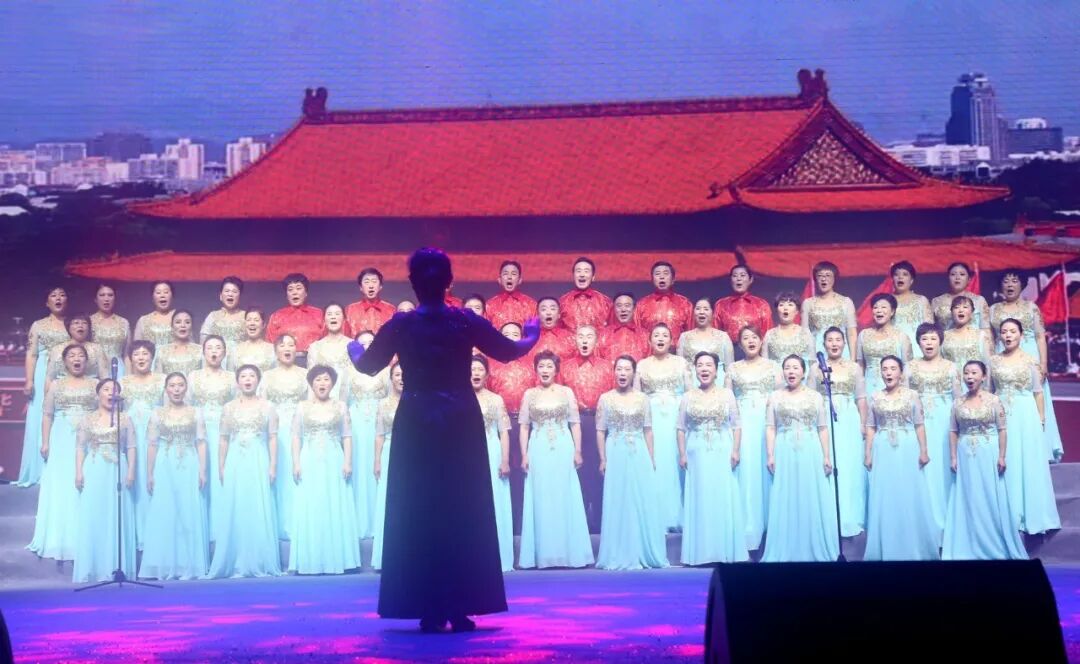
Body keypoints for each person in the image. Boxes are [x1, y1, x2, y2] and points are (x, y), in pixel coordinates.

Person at [347, 247, 540, 632]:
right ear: (449, 282)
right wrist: (532, 332)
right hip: (458, 419)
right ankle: (460, 606)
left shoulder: (402, 324)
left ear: (412, 283)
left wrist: (353, 347)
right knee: (462, 508)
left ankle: (428, 607)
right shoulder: (464, 320)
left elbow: (367, 365)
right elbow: (509, 350)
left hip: (417, 420)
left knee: (419, 509)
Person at [943, 361, 1027, 560]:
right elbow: (953, 431)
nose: (969, 377)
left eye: (974, 373)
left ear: (983, 377)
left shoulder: (994, 401)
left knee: (990, 495)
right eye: (966, 373)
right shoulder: (957, 403)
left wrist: (1001, 456)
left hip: (988, 453)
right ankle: (967, 545)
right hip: (965, 454)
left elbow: (1002, 430)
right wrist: (953, 456)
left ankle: (996, 544)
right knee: (968, 496)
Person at [518, 351, 594, 570]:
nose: (545, 370)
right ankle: (543, 555)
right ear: (536, 369)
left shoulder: (566, 392)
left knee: (564, 494)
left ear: (556, 370)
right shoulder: (529, 394)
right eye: (541, 366)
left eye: (549, 366)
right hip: (538, 446)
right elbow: (524, 427)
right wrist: (524, 454)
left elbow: (575, 423)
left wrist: (577, 450)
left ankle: (570, 554)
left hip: (562, 445)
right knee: (541, 496)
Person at [761, 355, 839, 562]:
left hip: (810, 449)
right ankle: (786, 548)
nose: (791, 371)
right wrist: (770, 454)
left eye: (795, 367)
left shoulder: (815, 397)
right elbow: (770, 427)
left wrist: (826, 456)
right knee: (786, 495)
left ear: (803, 372)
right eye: (787, 368)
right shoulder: (775, 396)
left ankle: (813, 545)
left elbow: (822, 428)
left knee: (809, 494)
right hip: (784, 449)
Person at [863, 356, 941, 561]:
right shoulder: (875, 396)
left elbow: (919, 424)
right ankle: (886, 547)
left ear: (900, 372)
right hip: (883, 448)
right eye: (884, 369)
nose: (888, 373)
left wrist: (924, 451)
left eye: (893, 368)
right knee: (885, 495)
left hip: (907, 447)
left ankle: (914, 546)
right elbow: (870, 427)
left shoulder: (912, 395)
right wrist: (868, 453)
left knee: (909, 493)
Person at [207, 365, 281, 578]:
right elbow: (223, 439)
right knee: (235, 505)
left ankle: (259, 560)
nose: (248, 380)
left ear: (258, 380)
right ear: (237, 381)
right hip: (235, 460)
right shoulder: (228, 408)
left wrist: (273, 465)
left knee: (257, 504)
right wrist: (221, 465)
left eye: (252, 376)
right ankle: (233, 560)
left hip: (258, 458)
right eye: (243, 376)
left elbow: (273, 437)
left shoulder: (268, 406)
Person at [594, 355, 667, 569]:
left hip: (638, 452)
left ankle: (643, 550)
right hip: (615, 450)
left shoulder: (643, 399)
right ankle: (617, 552)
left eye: (627, 369)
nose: (623, 373)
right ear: (614, 372)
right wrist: (603, 459)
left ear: (633, 373)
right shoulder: (605, 398)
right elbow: (600, 431)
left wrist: (651, 457)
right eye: (619, 369)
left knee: (640, 499)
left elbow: (648, 430)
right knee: (618, 499)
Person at [991, 319, 1060, 535]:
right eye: (1004, 331)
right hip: (1002, 413)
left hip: (1026, 414)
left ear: (1021, 335)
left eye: (1013, 331)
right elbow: (990, 391)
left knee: (1026, 460)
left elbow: (1038, 393)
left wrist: (1040, 421)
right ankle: (1007, 515)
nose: (1008, 335)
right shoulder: (993, 361)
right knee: (1007, 458)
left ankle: (1030, 514)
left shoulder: (1031, 361)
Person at [27, 344, 96, 561]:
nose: (77, 359)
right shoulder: (56, 385)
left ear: (87, 361)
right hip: (61, 438)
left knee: (85, 483)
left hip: (88, 439)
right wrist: (45, 442)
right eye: (72, 356)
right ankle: (59, 539)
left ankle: (85, 539)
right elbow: (47, 414)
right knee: (61, 484)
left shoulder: (96, 385)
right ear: (65, 362)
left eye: (81, 356)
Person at [289, 366, 359, 575]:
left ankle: (337, 559)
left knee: (334, 503)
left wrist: (347, 462)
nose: (322, 383)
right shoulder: (302, 407)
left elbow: (347, 436)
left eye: (326, 379)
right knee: (312, 505)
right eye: (318, 379)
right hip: (309, 460)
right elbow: (296, 437)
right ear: (311, 383)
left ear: (333, 383)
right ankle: (311, 560)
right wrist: (296, 463)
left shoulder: (341, 407)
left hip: (334, 460)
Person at [139, 372, 210, 580]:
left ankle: (188, 564)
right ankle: (163, 563)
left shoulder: (196, 412)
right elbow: (152, 445)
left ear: (186, 388)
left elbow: (201, 442)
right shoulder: (157, 413)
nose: (176, 389)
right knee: (165, 509)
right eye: (172, 385)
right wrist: (149, 473)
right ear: (166, 389)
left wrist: (203, 470)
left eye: (180, 385)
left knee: (188, 509)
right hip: (165, 463)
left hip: (189, 463)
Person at [678, 352, 746, 565]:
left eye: (709, 365)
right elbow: (680, 428)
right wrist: (682, 453)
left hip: (722, 450)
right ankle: (700, 553)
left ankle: (723, 551)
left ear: (717, 370)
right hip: (696, 452)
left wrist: (735, 451)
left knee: (722, 497)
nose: (704, 369)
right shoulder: (688, 396)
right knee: (700, 499)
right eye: (700, 365)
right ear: (695, 370)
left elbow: (736, 425)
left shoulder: (727, 395)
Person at [990, 269, 1063, 462]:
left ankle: (1039, 447)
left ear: (1022, 285)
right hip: (1002, 355)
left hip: (1029, 354)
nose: (1010, 284)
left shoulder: (1031, 308)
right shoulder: (993, 309)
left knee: (1033, 399)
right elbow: (989, 337)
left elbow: (1039, 336)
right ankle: (1008, 448)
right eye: (1006, 281)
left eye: (1014, 281)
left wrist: (1043, 363)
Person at [72, 379, 137, 583]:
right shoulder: (87, 419)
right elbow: (80, 447)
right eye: (106, 389)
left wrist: (131, 471)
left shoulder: (125, 419)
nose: (110, 393)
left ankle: (116, 566)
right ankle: (93, 567)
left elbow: (131, 447)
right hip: (94, 468)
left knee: (117, 514)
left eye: (114, 390)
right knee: (94, 514)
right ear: (98, 394)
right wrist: (79, 471)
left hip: (118, 469)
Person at [725, 326, 782, 552]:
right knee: (748, 469)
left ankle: (772, 525)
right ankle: (748, 527)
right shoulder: (733, 368)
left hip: (767, 421)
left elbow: (780, 396)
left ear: (761, 341)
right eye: (745, 338)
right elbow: (728, 400)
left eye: (754, 337)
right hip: (743, 422)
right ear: (740, 344)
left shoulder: (773, 366)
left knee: (767, 466)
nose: (751, 341)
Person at [807, 327, 867, 537]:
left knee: (849, 465)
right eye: (830, 340)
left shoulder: (854, 368)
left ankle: (849, 516)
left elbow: (861, 398)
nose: (834, 344)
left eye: (838, 340)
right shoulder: (816, 368)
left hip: (849, 418)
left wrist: (863, 424)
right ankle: (828, 517)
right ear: (823, 344)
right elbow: (810, 399)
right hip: (824, 419)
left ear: (844, 343)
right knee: (828, 463)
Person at [634, 323, 693, 532]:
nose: (660, 339)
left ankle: (679, 516)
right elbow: (637, 397)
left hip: (676, 417)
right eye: (656, 335)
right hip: (652, 419)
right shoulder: (642, 365)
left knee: (675, 461)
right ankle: (655, 517)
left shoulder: (681, 363)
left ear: (671, 340)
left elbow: (690, 393)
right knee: (656, 460)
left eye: (665, 335)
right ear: (650, 340)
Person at [906, 323, 960, 531]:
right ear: (918, 343)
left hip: (944, 422)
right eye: (924, 339)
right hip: (919, 423)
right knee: (922, 468)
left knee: (943, 467)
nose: (929, 343)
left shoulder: (951, 367)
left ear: (940, 341)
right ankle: (923, 522)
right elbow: (905, 398)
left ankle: (947, 522)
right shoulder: (910, 367)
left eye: (933, 338)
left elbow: (958, 401)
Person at [16, 286, 70, 488]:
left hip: (65, 372)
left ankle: (60, 469)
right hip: (42, 374)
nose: (58, 298)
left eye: (62, 295)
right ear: (47, 302)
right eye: (53, 295)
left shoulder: (72, 323)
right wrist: (29, 380)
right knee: (41, 415)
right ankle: (38, 469)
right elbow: (31, 354)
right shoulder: (38, 325)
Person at [260, 334, 310, 541]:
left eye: (291, 344)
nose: (287, 348)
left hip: (300, 429)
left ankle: (299, 524)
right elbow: (262, 405)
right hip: (276, 431)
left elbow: (311, 403)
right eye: (282, 345)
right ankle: (278, 525)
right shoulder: (266, 376)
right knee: (278, 473)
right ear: (276, 351)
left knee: (297, 472)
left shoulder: (305, 374)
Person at [188, 336, 235, 544]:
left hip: (223, 432)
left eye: (218, 348)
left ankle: (222, 529)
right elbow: (187, 405)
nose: (214, 351)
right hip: (199, 431)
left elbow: (236, 405)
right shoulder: (193, 376)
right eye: (209, 348)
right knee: (201, 474)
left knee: (220, 475)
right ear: (203, 352)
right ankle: (201, 528)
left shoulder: (232, 377)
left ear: (224, 352)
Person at [119, 340, 165, 550]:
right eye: (136, 354)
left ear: (152, 357)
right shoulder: (122, 382)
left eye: (145, 353)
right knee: (133, 478)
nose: (141, 357)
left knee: (153, 478)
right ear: (130, 358)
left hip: (155, 436)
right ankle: (135, 534)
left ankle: (155, 535)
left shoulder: (162, 380)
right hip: (131, 436)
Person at [345, 331, 390, 539]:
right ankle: (356, 522)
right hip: (356, 424)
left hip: (378, 423)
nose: (367, 346)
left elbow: (391, 398)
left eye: (371, 342)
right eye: (362, 343)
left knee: (377, 466)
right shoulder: (349, 372)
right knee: (359, 466)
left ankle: (379, 521)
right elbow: (343, 402)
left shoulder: (386, 370)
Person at [471, 356, 514, 573]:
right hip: (467, 454)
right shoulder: (459, 399)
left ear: (487, 374)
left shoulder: (496, 400)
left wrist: (504, 460)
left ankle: (499, 557)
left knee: (495, 500)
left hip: (491, 451)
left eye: (480, 369)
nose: (475, 373)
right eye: (471, 369)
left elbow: (503, 432)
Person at [371, 363, 403, 572]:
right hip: (390, 452)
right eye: (397, 375)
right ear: (391, 378)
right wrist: (377, 460)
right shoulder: (383, 404)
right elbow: (380, 435)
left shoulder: (417, 401)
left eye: (404, 374)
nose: (401, 378)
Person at [856, 294, 912, 395]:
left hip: (894, 390)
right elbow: (860, 365)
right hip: (869, 388)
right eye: (875, 307)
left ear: (892, 311)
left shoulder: (901, 336)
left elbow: (907, 367)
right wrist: (860, 391)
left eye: (883, 307)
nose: (879, 310)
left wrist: (904, 393)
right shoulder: (863, 335)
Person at [801, 261, 857, 359]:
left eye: (828, 275)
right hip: (816, 353)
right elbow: (804, 334)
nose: (823, 279)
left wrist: (853, 360)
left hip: (842, 353)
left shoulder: (846, 302)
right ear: (815, 279)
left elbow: (851, 333)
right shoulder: (808, 303)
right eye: (820, 276)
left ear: (834, 278)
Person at [267, 273, 324, 364]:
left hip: (314, 361)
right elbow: (270, 345)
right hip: (285, 363)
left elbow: (327, 340)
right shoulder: (276, 316)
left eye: (298, 288)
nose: (294, 292)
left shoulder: (319, 314)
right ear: (287, 294)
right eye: (290, 289)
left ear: (306, 293)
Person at [678, 298, 734, 385]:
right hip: (691, 384)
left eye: (706, 309)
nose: (701, 312)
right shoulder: (684, 337)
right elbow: (679, 368)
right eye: (698, 308)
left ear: (713, 313)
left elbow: (729, 369)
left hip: (718, 384)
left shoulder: (723, 337)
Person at [713, 264, 772, 347]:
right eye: (735, 276)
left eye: (742, 275)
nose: (739, 279)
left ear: (750, 280)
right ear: (730, 280)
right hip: (729, 350)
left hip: (755, 350)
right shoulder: (721, 305)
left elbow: (768, 335)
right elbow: (715, 334)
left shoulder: (761, 305)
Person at [635, 261, 693, 344]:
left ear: (673, 279)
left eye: (666, 273)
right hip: (650, 350)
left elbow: (690, 334)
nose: (661, 277)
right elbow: (638, 335)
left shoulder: (685, 304)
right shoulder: (642, 304)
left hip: (677, 351)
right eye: (657, 274)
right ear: (652, 279)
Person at [560, 325, 613, 412]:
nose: (584, 341)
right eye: (581, 337)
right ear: (575, 341)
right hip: (574, 416)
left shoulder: (607, 367)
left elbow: (613, 396)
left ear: (596, 341)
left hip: (601, 416)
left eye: (589, 337)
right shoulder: (564, 367)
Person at [488, 322, 537, 415]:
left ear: (522, 339)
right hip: (499, 416)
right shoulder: (490, 364)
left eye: (515, 335)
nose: (510, 338)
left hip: (529, 416)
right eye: (506, 335)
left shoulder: (532, 363)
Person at [306, 303, 353, 399]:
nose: (333, 317)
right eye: (329, 314)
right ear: (324, 320)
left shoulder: (353, 345)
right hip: (322, 397)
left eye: (337, 314)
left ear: (344, 319)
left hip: (349, 395)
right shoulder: (315, 347)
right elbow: (311, 379)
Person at [762, 292, 814, 372]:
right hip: (777, 378)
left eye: (790, 305)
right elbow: (764, 364)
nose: (785, 308)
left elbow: (812, 363)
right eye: (781, 305)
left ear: (797, 311)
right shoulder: (769, 335)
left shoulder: (806, 334)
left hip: (801, 378)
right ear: (776, 310)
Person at [46, 313, 107, 380]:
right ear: (68, 327)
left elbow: (104, 376)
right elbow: (49, 378)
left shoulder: (97, 349)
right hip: (63, 386)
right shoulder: (57, 349)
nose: (80, 326)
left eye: (84, 323)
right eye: (76, 323)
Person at [932, 262, 990, 331]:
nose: (957, 277)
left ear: (969, 280)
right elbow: (930, 329)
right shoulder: (937, 301)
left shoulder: (979, 300)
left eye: (962, 274)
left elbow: (986, 329)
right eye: (953, 274)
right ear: (948, 278)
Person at [942, 296, 993, 375]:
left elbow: (987, 364)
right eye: (956, 307)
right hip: (951, 380)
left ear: (972, 313)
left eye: (965, 307)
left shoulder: (980, 335)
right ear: (951, 312)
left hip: (974, 380)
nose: (961, 310)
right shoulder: (944, 336)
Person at [890, 261, 933, 353]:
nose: (900, 277)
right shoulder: (886, 301)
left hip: (916, 348)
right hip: (892, 347)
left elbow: (929, 329)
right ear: (892, 279)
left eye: (905, 274)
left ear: (911, 280)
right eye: (896, 274)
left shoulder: (921, 300)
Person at [559, 257, 612, 331]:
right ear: (573, 276)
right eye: (578, 271)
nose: (582, 274)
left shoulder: (605, 302)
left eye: (586, 271)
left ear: (593, 277)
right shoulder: (563, 302)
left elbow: (611, 330)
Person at [90, 283, 130, 377]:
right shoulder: (89, 322)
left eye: (110, 295)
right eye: (102, 295)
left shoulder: (124, 322)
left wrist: (128, 376)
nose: (106, 299)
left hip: (119, 369)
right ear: (95, 299)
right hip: (95, 369)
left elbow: (127, 354)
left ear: (115, 298)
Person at [486, 260, 537, 331]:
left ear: (520, 280)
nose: (509, 277)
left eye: (513, 274)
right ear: (499, 280)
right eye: (505, 274)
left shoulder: (531, 305)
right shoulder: (489, 305)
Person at [200, 276, 247, 354]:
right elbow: (203, 344)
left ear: (240, 296)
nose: (230, 294)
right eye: (227, 291)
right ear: (221, 296)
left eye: (234, 291)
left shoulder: (247, 317)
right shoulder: (212, 316)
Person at [346, 268, 396, 335]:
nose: (371, 286)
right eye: (367, 282)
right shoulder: (350, 310)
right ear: (361, 287)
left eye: (374, 281)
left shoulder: (391, 310)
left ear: (380, 286)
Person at [600, 293, 649, 362]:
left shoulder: (645, 335)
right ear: (614, 309)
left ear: (634, 309)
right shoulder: (603, 334)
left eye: (627, 305)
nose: (623, 309)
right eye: (619, 306)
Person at [153, 310, 202, 377]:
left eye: (187, 322)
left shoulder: (200, 350)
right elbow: (158, 378)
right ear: (172, 326)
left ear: (192, 326)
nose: (183, 325)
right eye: (178, 322)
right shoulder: (161, 351)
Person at [133, 281, 177, 349]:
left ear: (172, 296)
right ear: (152, 298)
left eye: (166, 292)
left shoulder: (181, 318)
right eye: (158, 293)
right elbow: (136, 348)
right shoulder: (143, 321)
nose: (162, 295)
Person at [530, 297, 575, 361]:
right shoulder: (529, 338)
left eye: (552, 309)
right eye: (544, 309)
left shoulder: (570, 338)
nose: (548, 312)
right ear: (538, 315)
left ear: (559, 315)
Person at [233, 307, 276, 373]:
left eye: (256, 320)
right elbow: (231, 375)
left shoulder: (273, 350)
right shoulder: (236, 350)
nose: (252, 323)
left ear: (263, 325)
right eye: (249, 320)